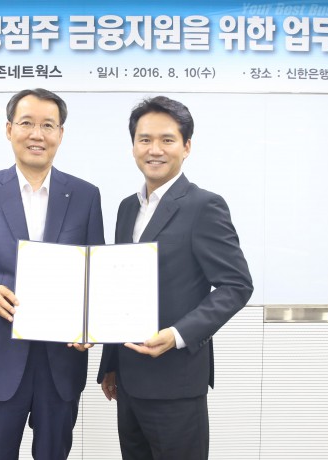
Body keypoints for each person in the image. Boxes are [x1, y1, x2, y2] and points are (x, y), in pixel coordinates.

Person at [0, 88, 105, 460]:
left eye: (48, 125)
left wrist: (92, 325)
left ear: (60, 134)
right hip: (0, 359)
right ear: (9, 129)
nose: (37, 134)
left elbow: (95, 274)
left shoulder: (85, 196)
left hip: (61, 362)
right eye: (27, 123)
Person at [97, 96, 253, 460]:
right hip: (129, 381)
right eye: (145, 139)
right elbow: (120, 288)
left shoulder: (204, 206)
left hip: (176, 383)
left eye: (167, 140)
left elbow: (236, 285)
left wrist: (178, 334)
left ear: (186, 147)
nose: (155, 149)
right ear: (133, 146)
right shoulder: (127, 208)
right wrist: (111, 364)